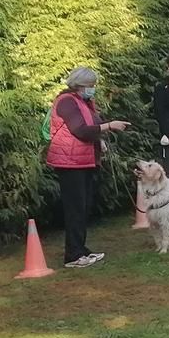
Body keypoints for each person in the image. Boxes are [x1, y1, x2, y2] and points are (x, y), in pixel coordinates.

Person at [48, 66, 130, 268]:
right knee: (75, 208)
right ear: (80, 85)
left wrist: (99, 141)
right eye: (91, 85)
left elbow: (90, 129)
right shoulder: (67, 102)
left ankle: (80, 249)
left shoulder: (83, 102)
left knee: (83, 207)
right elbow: (80, 130)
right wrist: (110, 126)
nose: (93, 89)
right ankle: (73, 255)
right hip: (70, 162)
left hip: (82, 160)